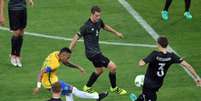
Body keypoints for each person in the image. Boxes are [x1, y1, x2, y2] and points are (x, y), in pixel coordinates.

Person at [69, 5, 127, 95]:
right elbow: (75, 38)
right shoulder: (86, 26)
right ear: (91, 14)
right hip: (92, 53)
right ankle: (114, 88)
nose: (98, 17)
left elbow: (104, 26)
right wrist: (69, 51)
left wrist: (116, 33)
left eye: (99, 15)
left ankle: (87, 87)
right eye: (96, 15)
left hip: (96, 52)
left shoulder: (99, 21)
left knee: (99, 70)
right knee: (113, 67)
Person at [130, 36, 201, 101]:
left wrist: (142, 60)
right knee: (145, 96)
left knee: (147, 96)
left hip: (148, 83)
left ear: (158, 44)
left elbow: (141, 64)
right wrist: (197, 78)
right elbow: (188, 66)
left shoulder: (154, 54)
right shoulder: (172, 56)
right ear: (167, 44)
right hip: (158, 84)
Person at [33, 47, 108, 101]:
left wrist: (78, 67)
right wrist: (38, 87)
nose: (68, 59)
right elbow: (40, 73)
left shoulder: (55, 53)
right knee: (74, 90)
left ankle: (96, 97)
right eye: (67, 57)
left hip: (51, 80)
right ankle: (97, 96)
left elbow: (66, 63)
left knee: (68, 93)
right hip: (51, 83)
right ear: (63, 55)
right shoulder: (54, 64)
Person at [0, 0, 34, 67]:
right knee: (16, 32)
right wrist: (1, 15)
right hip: (13, 9)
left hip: (23, 9)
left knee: (21, 32)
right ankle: (13, 55)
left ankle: (18, 56)